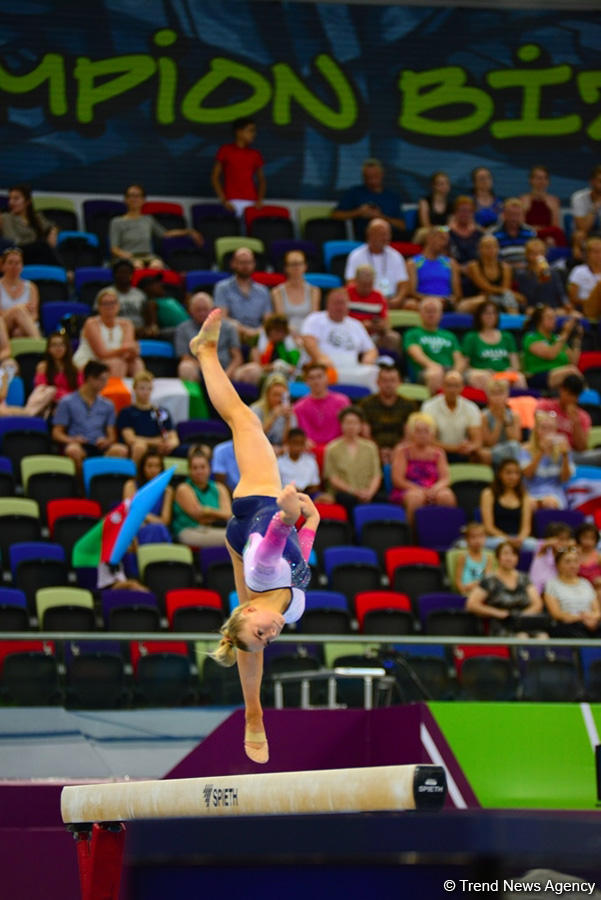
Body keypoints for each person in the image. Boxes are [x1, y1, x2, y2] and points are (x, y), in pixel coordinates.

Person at [189, 307, 320, 765]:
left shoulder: (263, 577)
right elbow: (301, 565)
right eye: (267, 636)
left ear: (246, 611)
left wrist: (287, 514)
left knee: (245, 421)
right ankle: (253, 713)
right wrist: (312, 525)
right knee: (249, 653)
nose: (271, 633)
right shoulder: (289, 610)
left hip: (256, 513)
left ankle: (204, 352)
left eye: (262, 630)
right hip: (246, 538)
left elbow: (271, 549)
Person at [52, 360, 128, 474]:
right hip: (79, 444)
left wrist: (107, 441)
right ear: (90, 378)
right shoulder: (67, 402)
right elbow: (56, 432)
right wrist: (72, 439)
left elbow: (111, 434)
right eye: (102, 379)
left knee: (121, 450)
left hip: (100, 446)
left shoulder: (108, 405)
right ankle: (81, 489)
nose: (106, 383)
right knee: (73, 450)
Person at [300, 288, 379, 389]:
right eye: (336, 303)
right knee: (320, 374)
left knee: (375, 373)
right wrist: (320, 357)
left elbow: (371, 349)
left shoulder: (356, 325)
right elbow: (308, 341)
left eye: (342, 303)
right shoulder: (315, 319)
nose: (339, 307)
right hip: (326, 369)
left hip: (352, 370)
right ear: (328, 304)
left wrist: (369, 358)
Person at [109, 183, 202, 268]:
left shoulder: (148, 219)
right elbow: (114, 249)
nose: (134, 199)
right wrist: (127, 256)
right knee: (137, 265)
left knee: (157, 265)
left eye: (138, 196)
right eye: (131, 196)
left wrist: (189, 231)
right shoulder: (117, 221)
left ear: (143, 200)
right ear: (125, 199)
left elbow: (166, 234)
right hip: (127, 257)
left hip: (147, 256)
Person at [390, 411, 456, 525]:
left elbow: (445, 478)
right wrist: (420, 490)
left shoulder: (439, 453)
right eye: (418, 431)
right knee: (416, 498)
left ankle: (446, 535)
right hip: (408, 488)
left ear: (432, 434)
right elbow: (398, 480)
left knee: (446, 496)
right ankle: (413, 536)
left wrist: (435, 489)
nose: (422, 435)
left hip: (432, 488)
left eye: (426, 431)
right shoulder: (402, 451)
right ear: (411, 433)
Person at [466, 541, 544, 636]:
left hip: (523, 622)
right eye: (505, 554)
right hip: (501, 624)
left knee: (542, 636)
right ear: (498, 557)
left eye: (513, 554)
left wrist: (521, 616)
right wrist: (498, 613)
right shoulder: (489, 580)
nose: (509, 558)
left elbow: (537, 604)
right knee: (522, 636)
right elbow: (472, 604)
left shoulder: (524, 578)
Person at [174, 292, 247, 383]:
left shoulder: (229, 327)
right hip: (199, 370)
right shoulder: (183, 329)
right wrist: (209, 372)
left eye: (205, 309)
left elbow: (237, 357)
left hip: (227, 370)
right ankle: (195, 397)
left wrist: (225, 375)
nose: (202, 313)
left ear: (212, 310)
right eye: (198, 310)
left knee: (253, 371)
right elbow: (185, 358)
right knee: (185, 367)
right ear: (191, 311)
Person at [323, 407, 383, 514]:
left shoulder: (371, 447)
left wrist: (370, 492)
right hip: (344, 492)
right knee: (348, 500)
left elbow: (376, 475)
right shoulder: (332, 448)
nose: (351, 426)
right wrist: (354, 492)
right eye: (348, 423)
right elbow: (333, 478)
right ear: (341, 425)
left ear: (361, 426)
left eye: (355, 423)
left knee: (383, 499)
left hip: (367, 490)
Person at [73, 287, 143, 378]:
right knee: (116, 363)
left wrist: (133, 353)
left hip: (114, 360)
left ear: (118, 305)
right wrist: (127, 348)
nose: (110, 306)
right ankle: (112, 391)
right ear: (98, 307)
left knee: (136, 363)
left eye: (113, 303)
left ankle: (141, 390)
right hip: (91, 361)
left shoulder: (127, 324)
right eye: (105, 303)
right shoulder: (91, 323)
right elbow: (101, 353)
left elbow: (127, 352)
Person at [172, 446, 232, 548]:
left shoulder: (219, 487)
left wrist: (207, 511)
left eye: (203, 467)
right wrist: (217, 514)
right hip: (190, 530)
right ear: (189, 470)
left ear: (209, 469)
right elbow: (198, 515)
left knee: (238, 534)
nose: (199, 471)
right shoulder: (183, 488)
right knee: (233, 538)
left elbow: (228, 514)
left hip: (215, 528)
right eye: (195, 468)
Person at [332, 158, 407, 241]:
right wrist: (359, 212)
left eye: (375, 176)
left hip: (390, 241)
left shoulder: (392, 197)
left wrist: (380, 217)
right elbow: (335, 215)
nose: (372, 180)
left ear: (382, 174)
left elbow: (402, 226)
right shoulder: (355, 193)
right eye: (368, 177)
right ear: (363, 177)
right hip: (361, 239)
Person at [403, 295, 465, 392]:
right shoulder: (412, 334)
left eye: (434, 311)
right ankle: (434, 406)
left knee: (475, 376)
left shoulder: (450, 335)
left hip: (449, 369)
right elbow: (416, 354)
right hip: (425, 370)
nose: (431, 314)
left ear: (441, 314)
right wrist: (433, 366)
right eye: (427, 311)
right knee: (435, 374)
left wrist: (455, 373)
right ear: (420, 313)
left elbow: (459, 358)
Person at [116, 370, 179, 463]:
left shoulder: (161, 411)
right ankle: (135, 476)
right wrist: (157, 442)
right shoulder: (127, 412)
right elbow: (130, 439)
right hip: (139, 448)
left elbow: (173, 436)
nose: (146, 392)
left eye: (149, 388)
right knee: (139, 447)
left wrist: (170, 444)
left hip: (159, 449)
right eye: (142, 388)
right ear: (134, 389)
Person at [344, 218, 409, 308]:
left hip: (391, 299)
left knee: (411, 305)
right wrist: (372, 299)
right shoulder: (356, 255)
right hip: (366, 299)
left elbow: (403, 284)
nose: (386, 238)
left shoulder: (396, 256)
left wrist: (398, 299)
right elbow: (351, 283)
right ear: (370, 235)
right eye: (382, 234)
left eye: (388, 234)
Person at [462, 300, 525, 391]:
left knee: (519, 378)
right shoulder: (471, 337)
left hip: (503, 374)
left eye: (493, 313)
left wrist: (511, 370)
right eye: (486, 313)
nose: (490, 316)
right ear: (479, 316)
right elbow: (465, 365)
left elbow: (515, 364)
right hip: (482, 373)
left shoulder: (507, 337)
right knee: (482, 378)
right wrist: (482, 371)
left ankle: (518, 404)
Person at [359, 365, 417, 463]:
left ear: (399, 382)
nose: (388, 384)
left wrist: (397, 451)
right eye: (384, 380)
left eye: (392, 380)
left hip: (403, 451)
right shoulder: (366, 404)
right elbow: (365, 434)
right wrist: (377, 451)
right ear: (377, 382)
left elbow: (409, 434)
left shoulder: (409, 405)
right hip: (371, 450)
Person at [422, 369, 482, 463]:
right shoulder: (429, 406)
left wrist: (470, 447)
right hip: (436, 452)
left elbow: (477, 440)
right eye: (449, 385)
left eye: (456, 386)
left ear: (462, 387)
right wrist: (455, 448)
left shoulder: (471, 407)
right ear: (443, 386)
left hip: (462, 453)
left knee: (479, 454)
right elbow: (428, 440)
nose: (452, 390)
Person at [214, 247, 272, 343]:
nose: (245, 266)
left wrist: (257, 332)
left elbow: (268, 321)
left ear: (254, 264)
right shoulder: (222, 288)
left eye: (249, 262)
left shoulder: (263, 291)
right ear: (233, 264)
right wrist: (245, 331)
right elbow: (222, 318)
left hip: (258, 335)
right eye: (241, 262)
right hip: (232, 334)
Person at [211, 117, 266, 218]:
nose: (254, 134)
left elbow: (261, 179)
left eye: (254, 131)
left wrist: (259, 200)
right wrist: (223, 200)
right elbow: (215, 177)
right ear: (239, 132)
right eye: (250, 131)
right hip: (231, 201)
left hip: (252, 202)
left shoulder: (255, 154)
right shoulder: (225, 150)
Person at [519, 410, 573, 509]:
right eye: (543, 428)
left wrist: (565, 455)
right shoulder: (525, 449)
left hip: (554, 492)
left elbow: (565, 478)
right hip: (530, 491)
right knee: (530, 504)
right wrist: (541, 452)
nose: (547, 432)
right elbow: (527, 474)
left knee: (549, 503)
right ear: (536, 430)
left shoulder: (563, 448)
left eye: (551, 428)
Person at [480, 458, 537, 552]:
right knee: (475, 543)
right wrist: (506, 539)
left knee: (536, 546)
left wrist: (520, 539)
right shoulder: (488, 494)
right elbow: (488, 527)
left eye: (516, 473)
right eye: (508, 473)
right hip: (497, 538)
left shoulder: (524, 496)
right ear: (500, 474)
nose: (513, 477)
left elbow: (526, 527)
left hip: (518, 539)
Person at [293, 362, 350, 454]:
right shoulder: (299, 407)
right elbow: (296, 432)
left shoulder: (342, 402)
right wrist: (303, 440)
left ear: (327, 378)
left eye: (320, 377)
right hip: (310, 451)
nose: (316, 381)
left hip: (338, 449)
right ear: (306, 382)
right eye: (312, 378)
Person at [544, 546, 601, 637]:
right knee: (578, 635)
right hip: (567, 625)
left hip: (590, 623)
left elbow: (597, 611)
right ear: (558, 565)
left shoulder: (585, 583)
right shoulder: (552, 584)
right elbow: (556, 614)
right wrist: (580, 618)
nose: (573, 565)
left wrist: (592, 618)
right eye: (568, 561)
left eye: (575, 561)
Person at [345, 264, 401, 355]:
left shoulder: (378, 296)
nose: (367, 288)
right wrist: (360, 326)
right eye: (364, 284)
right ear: (356, 281)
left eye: (370, 284)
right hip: (350, 332)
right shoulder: (346, 294)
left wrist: (380, 326)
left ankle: (389, 363)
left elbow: (386, 322)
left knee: (393, 337)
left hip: (372, 334)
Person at [522, 306, 582, 391]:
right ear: (539, 320)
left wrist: (577, 339)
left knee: (572, 374)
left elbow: (573, 361)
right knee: (571, 373)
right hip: (539, 376)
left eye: (554, 317)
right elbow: (551, 354)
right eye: (549, 317)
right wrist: (566, 332)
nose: (554, 320)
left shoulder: (557, 338)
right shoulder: (531, 338)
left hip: (561, 376)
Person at [0, 184, 59, 265]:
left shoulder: (36, 217)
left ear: (27, 201)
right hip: (18, 253)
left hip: (37, 252)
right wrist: (35, 243)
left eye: (16, 199)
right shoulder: (6, 217)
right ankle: (63, 271)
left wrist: (53, 231)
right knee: (42, 245)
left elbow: (51, 225)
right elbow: (12, 241)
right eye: (10, 198)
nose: (11, 202)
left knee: (45, 247)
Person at [406, 226, 462, 309]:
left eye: (446, 239)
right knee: (410, 304)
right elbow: (412, 292)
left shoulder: (451, 263)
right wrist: (432, 300)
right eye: (441, 238)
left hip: (446, 303)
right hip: (423, 302)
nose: (445, 243)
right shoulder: (413, 263)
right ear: (429, 239)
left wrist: (447, 301)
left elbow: (457, 294)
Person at [123, 449, 174, 539]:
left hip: (157, 526)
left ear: (161, 469)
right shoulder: (131, 485)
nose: (153, 470)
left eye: (157, 466)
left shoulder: (167, 490)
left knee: (159, 529)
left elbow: (165, 521)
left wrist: (142, 514)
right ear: (142, 468)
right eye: (149, 466)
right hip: (135, 527)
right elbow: (130, 513)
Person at [32, 330, 82, 416]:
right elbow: (42, 390)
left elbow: (81, 390)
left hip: (73, 404)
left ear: (66, 347)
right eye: (54, 345)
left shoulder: (75, 368)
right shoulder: (43, 367)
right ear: (48, 349)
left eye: (61, 345)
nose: (58, 348)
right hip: (51, 404)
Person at [271, 250, 320, 335]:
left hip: (308, 333)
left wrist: (305, 337)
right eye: (293, 264)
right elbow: (281, 320)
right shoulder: (277, 292)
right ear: (286, 268)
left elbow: (313, 320)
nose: (296, 267)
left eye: (300, 264)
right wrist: (294, 335)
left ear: (305, 266)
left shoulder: (314, 291)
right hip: (285, 333)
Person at [465, 234, 519, 312]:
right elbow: (484, 286)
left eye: (494, 246)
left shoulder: (505, 267)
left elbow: (505, 289)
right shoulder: (474, 266)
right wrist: (505, 292)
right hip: (478, 298)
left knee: (508, 297)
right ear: (480, 249)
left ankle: (514, 321)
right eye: (487, 247)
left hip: (500, 298)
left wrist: (504, 292)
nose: (491, 249)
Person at [477, 378, 522, 467]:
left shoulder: (514, 415)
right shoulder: (483, 416)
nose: (498, 397)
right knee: (484, 453)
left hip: (510, 449)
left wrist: (506, 420)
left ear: (507, 395)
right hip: (493, 450)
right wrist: (499, 421)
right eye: (494, 394)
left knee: (514, 446)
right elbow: (489, 443)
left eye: (501, 393)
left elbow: (515, 439)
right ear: (488, 396)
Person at [515, 238, 568, 312]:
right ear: (527, 255)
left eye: (541, 253)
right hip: (533, 307)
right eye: (533, 253)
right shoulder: (522, 274)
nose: (538, 257)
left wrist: (566, 304)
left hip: (552, 307)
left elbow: (561, 293)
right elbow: (528, 296)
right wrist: (539, 276)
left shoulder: (554, 273)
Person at [249, 373, 297, 453]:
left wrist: (288, 421)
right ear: (267, 394)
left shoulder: (289, 411)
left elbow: (287, 442)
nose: (279, 399)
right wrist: (273, 417)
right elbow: (254, 437)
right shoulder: (256, 409)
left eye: (282, 395)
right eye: (275, 395)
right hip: (258, 449)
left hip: (280, 452)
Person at [520, 165, 566, 246]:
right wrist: (533, 229)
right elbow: (521, 225)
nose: (542, 181)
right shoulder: (523, 200)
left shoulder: (554, 201)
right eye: (538, 178)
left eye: (545, 178)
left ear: (548, 181)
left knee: (553, 238)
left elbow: (555, 227)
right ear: (531, 180)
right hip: (529, 234)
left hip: (547, 235)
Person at [111, 259, 159, 337]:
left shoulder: (140, 294)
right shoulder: (107, 294)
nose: (124, 275)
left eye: (127, 272)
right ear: (115, 274)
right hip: (116, 331)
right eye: (121, 272)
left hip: (141, 332)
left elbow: (147, 315)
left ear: (132, 275)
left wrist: (151, 327)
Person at [0, 247, 40, 337]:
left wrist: (21, 323)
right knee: (18, 310)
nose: (14, 266)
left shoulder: (31, 287)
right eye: (10, 263)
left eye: (17, 263)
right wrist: (17, 311)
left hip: (23, 326)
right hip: (2, 324)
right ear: (2, 266)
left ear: (22, 266)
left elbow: (34, 315)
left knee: (18, 333)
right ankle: (40, 344)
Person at [529, 522, 575, 595]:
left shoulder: (566, 554)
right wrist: (552, 542)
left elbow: (575, 550)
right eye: (561, 539)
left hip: (554, 592)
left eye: (567, 539)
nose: (564, 543)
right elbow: (543, 544)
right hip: (537, 590)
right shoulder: (542, 551)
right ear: (551, 539)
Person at [252, 314, 301, 378]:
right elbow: (257, 368)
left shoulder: (289, 343)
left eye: (283, 331)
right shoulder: (258, 344)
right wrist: (273, 367)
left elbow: (295, 366)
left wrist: (286, 367)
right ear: (269, 331)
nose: (281, 334)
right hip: (266, 376)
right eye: (278, 331)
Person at [453, 522, 495, 595]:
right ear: (467, 540)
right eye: (473, 537)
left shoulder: (488, 558)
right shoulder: (463, 557)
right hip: (466, 590)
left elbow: (488, 578)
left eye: (481, 537)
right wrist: (463, 591)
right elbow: (458, 580)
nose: (477, 541)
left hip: (481, 592)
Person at [277, 428, 322, 496]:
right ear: (288, 442)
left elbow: (315, 485)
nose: (298, 447)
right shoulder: (279, 463)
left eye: (301, 443)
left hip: (308, 495)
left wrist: (304, 490)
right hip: (287, 496)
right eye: (295, 443)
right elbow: (277, 487)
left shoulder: (311, 461)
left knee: (327, 498)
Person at [492, 199, 536, 267]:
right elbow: (491, 257)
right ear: (504, 215)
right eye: (511, 214)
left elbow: (535, 254)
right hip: (503, 270)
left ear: (523, 216)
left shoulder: (530, 232)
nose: (514, 218)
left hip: (526, 269)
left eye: (517, 215)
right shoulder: (493, 233)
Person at [567, 236, 601, 319]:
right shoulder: (579, 271)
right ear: (588, 254)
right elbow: (572, 298)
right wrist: (591, 302)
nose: (599, 255)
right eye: (596, 252)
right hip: (583, 308)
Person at [571, 164, 601, 256]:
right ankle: (578, 265)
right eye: (600, 181)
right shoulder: (578, 197)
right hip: (587, 234)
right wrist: (595, 207)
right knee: (578, 235)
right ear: (591, 181)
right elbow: (582, 228)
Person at [448, 195, 484, 270]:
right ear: (455, 212)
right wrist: (459, 268)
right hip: (453, 271)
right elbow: (442, 259)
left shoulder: (480, 233)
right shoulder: (447, 233)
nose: (465, 214)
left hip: (476, 271)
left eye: (469, 211)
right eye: (462, 210)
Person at [575, 523, 601, 589]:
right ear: (578, 537)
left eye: (592, 538)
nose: (588, 542)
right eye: (585, 537)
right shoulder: (573, 554)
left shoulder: (599, 556)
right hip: (577, 588)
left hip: (595, 589)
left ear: (596, 540)